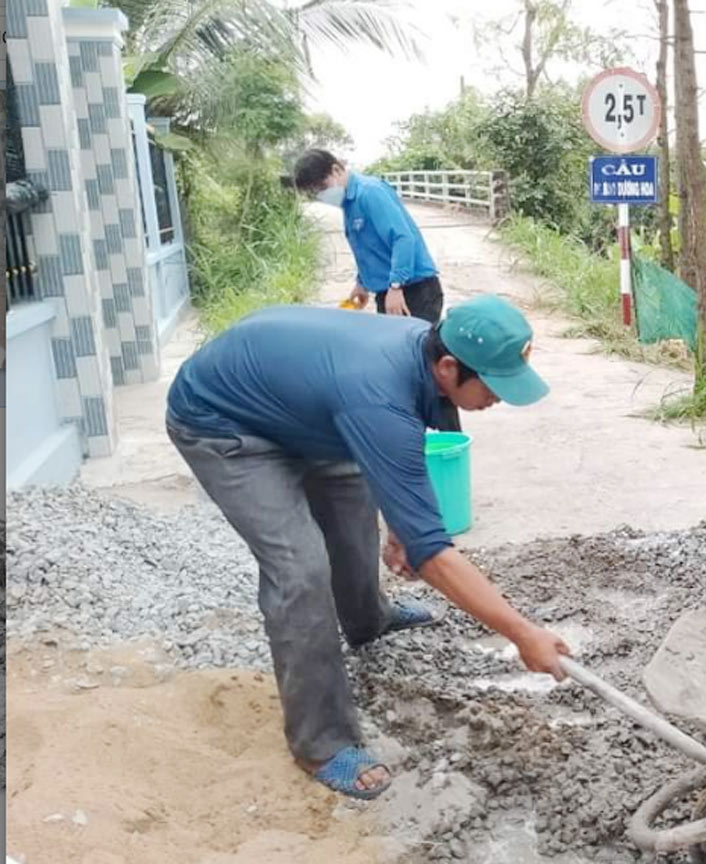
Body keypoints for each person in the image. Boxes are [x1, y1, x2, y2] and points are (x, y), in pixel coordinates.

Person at [166, 294, 570, 800]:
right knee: (301, 569)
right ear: (448, 366)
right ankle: (322, 744)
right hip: (223, 423)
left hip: (301, 409)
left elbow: (404, 442)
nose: (500, 399)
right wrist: (521, 632)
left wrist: (403, 520)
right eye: (494, 385)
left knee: (352, 501)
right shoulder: (377, 391)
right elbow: (433, 555)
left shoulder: (422, 351)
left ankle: (366, 618)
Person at [292, 148, 444, 323]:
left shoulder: (370, 192)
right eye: (315, 192)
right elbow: (370, 248)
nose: (321, 195)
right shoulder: (349, 203)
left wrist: (396, 287)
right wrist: (362, 283)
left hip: (414, 291)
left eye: (322, 187)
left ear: (336, 170)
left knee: (414, 348)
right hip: (388, 291)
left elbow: (402, 238)